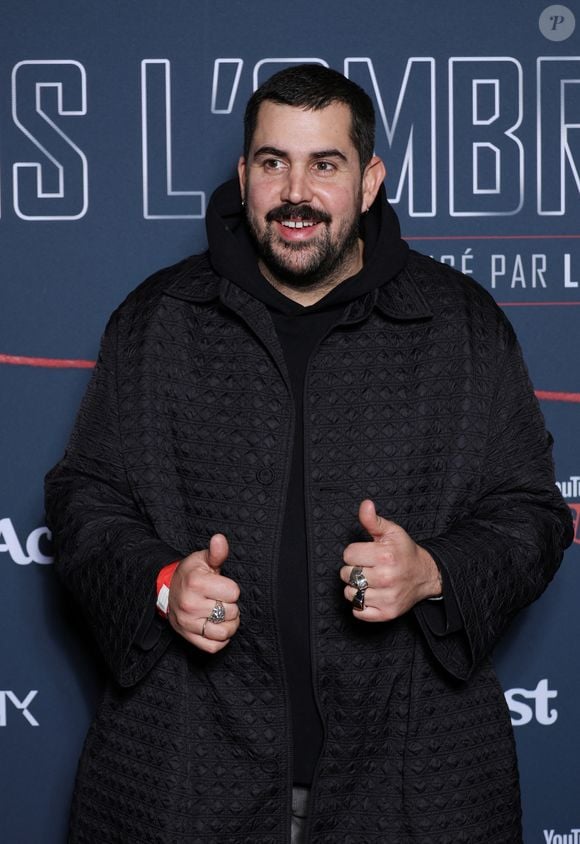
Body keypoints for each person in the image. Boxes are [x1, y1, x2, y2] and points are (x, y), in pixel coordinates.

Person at [45, 64, 572, 844]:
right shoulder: (158, 320)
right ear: (244, 176)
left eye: (324, 164)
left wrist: (434, 570)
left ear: (368, 183)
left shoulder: (460, 324)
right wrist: (161, 584)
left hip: (412, 787)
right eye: (272, 163)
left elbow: (533, 513)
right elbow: (83, 496)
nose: (296, 192)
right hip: (183, 782)